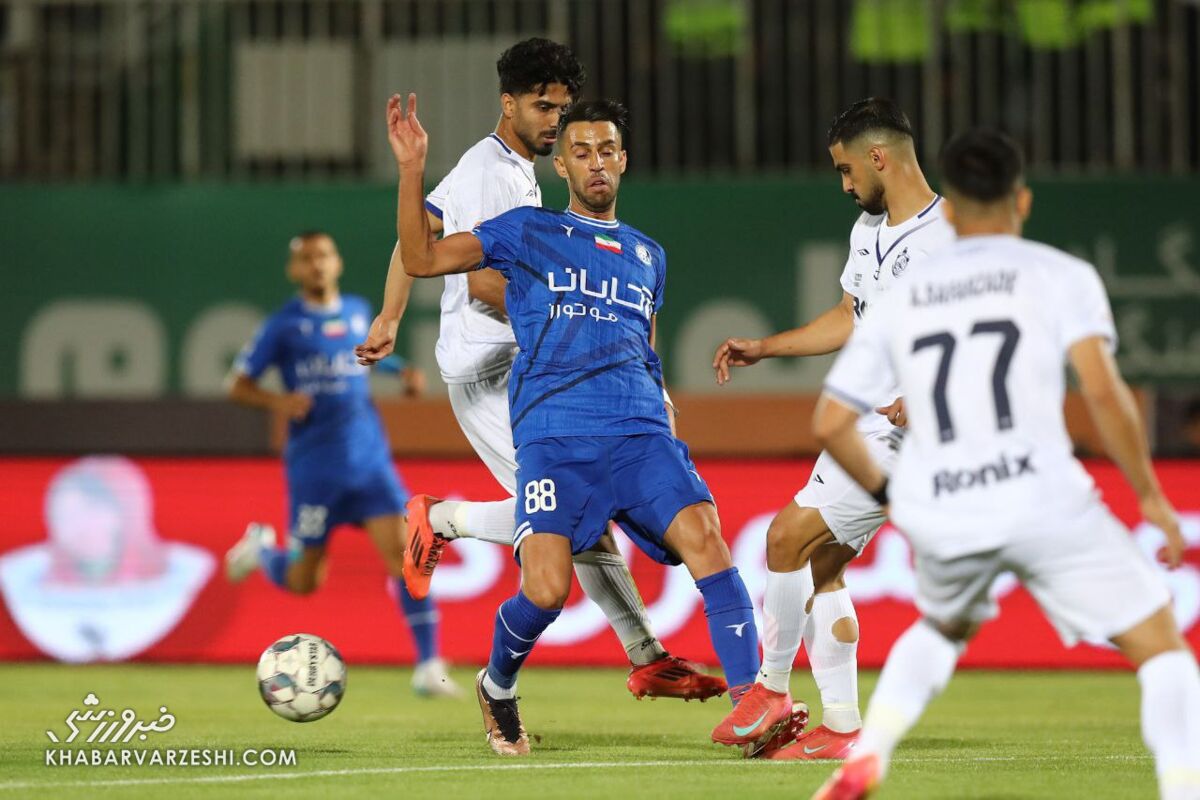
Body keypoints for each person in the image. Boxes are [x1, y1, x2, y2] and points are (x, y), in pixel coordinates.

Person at [388, 93, 788, 756]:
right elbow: (422, 260)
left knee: (708, 541)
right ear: (562, 168)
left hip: (639, 434)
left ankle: (753, 706)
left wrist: (662, 402)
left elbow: (644, 343)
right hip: (555, 437)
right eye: (581, 152)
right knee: (546, 590)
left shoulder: (648, 255)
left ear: (623, 160)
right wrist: (411, 172)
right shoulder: (526, 231)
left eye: (606, 150)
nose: (595, 162)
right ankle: (497, 685)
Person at [810, 129, 1200, 800]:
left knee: (941, 628)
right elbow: (1104, 393)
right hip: (1043, 497)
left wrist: (893, 495)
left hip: (947, 503)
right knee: (1163, 650)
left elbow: (829, 422)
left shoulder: (905, 294)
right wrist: (1151, 498)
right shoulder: (1060, 275)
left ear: (952, 207)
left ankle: (868, 753)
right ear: (1022, 200)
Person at [356, 37, 723, 702]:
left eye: (561, 107)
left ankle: (647, 657)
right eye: (542, 107)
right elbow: (478, 279)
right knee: (574, 510)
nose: (555, 120)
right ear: (508, 103)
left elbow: (420, 232)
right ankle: (441, 520)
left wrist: (389, 316)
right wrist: (570, 313)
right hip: (490, 370)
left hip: (521, 365)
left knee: (582, 510)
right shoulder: (494, 175)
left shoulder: (505, 167)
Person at [711, 98, 953, 759]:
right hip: (862, 424)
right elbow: (851, 315)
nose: (845, 185)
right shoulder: (870, 230)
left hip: (905, 438)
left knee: (785, 538)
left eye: (847, 170)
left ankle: (771, 689)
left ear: (879, 157)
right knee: (821, 568)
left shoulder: (947, 241)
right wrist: (766, 347)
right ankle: (842, 726)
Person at [224, 231, 460, 698]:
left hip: (369, 463)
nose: (317, 264)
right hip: (316, 470)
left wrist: (400, 369)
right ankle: (262, 550)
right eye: (307, 258)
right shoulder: (283, 326)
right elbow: (238, 385)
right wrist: (279, 401)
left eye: (324, 255)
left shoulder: (355, 310)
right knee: (305, 581)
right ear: (294, 270)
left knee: (407, 557)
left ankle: (429, 665)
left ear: (338, 263)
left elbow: (362, 355)